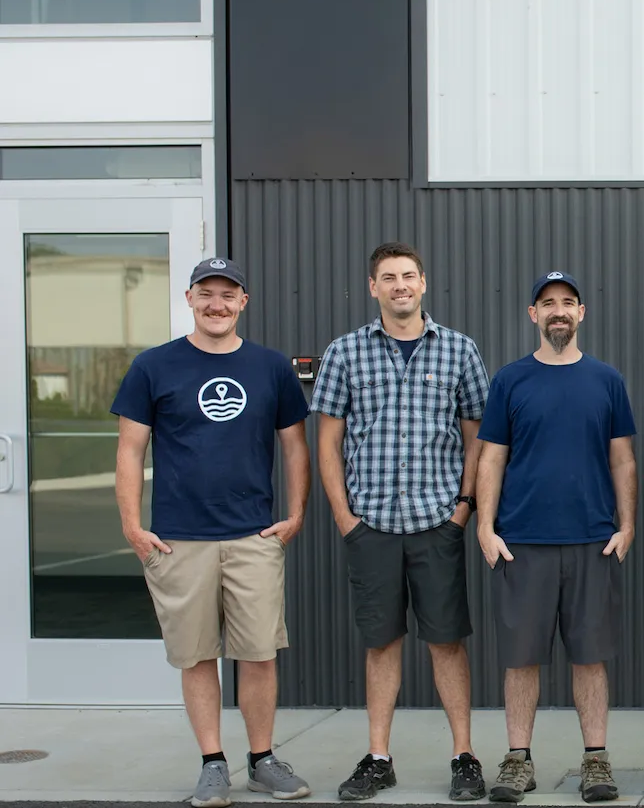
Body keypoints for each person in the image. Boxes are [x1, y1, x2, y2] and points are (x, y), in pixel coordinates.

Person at [112, 257, 314, 807]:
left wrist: (295, 514)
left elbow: (296, 447)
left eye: (228, 294)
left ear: (243, 302)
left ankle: (263, 759)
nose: (217, 304)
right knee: (197, 655)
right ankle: (212, 764)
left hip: (253, 534)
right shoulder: (154, 366)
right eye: (207, 293)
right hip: (179, 538)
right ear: (190, 298)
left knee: (259, 654)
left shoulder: (270, 367)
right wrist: (133, 526)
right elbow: (130, 450)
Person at [312, 242, 492, 801]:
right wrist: (345, 518)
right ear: (373, 287)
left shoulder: (459, 350)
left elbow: (476, 438)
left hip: (438, 522)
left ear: (423, 282)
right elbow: (328, 442)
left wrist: (464, 508)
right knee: (382, 644)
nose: (399, 286)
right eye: (388, 278)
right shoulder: (345, 353)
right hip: (372, 526)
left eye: (408, 276)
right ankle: (378, 756)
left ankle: (464, 756)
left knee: (446, 643)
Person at [474, 272, 638, 804]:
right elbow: (491, 456)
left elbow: (622, 457)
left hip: (592, 540)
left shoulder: (606, 380)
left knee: (589, 657)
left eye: (568, 302)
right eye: (548, 304)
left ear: (582, 313)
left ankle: (595, 759)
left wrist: (627, 524)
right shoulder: (510, 380)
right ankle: (518, 760)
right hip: (522, 541)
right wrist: (484, 526)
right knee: (521, 660)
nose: (558, 311)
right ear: (533, 315)